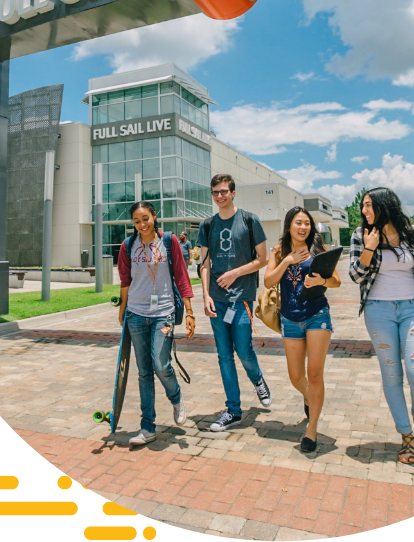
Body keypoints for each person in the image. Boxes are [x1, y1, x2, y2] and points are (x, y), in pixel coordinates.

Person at [349, 188, 414, 465]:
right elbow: (355, 275)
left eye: (369, 205)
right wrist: (370, 247)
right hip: (378, 310)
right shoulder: (361, 235)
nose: (364, 211)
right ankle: (406, 434)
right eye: (363, 206)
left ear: (385, 206)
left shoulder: (412, 232)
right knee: (392, 375)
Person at [117, 201, 196, 446]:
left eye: (145, 219)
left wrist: (191, 311)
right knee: (144, 372)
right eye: (137, 221)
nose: (142, 224)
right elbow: (124, 280)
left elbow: (182, 276)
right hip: (136, 314)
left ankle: (176, 396)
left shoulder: (169, 241)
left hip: (164, 312)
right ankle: (147, 427)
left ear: (154, 216)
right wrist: (122, 311)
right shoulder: (128, 245)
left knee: (161, 365)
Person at [197, 174, 272, 432]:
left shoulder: (250, 221)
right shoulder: (207, 225)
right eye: (215, 192)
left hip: (242, 298)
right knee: (224, 356)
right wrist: (205, 294)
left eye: (224, 191)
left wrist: (235, 272)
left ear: (233, 193)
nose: (220, 196)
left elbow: (263, 259)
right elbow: (204, 264)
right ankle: (233, 411)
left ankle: (258, 380)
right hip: (216, 302)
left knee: (243, 350)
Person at [264, 207, 341, 453]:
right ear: (289, 226)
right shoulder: (278, 251)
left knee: (315, 374)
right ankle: (310, 396)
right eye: (298, 223)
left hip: (317, 315)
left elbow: (336, 281)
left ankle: (312, 430)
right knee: (296, 377)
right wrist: (286, 261)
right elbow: (267, 282)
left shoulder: (318, 249)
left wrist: (321, 281)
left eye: (307, 223)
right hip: (290, 318)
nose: (303, 227)